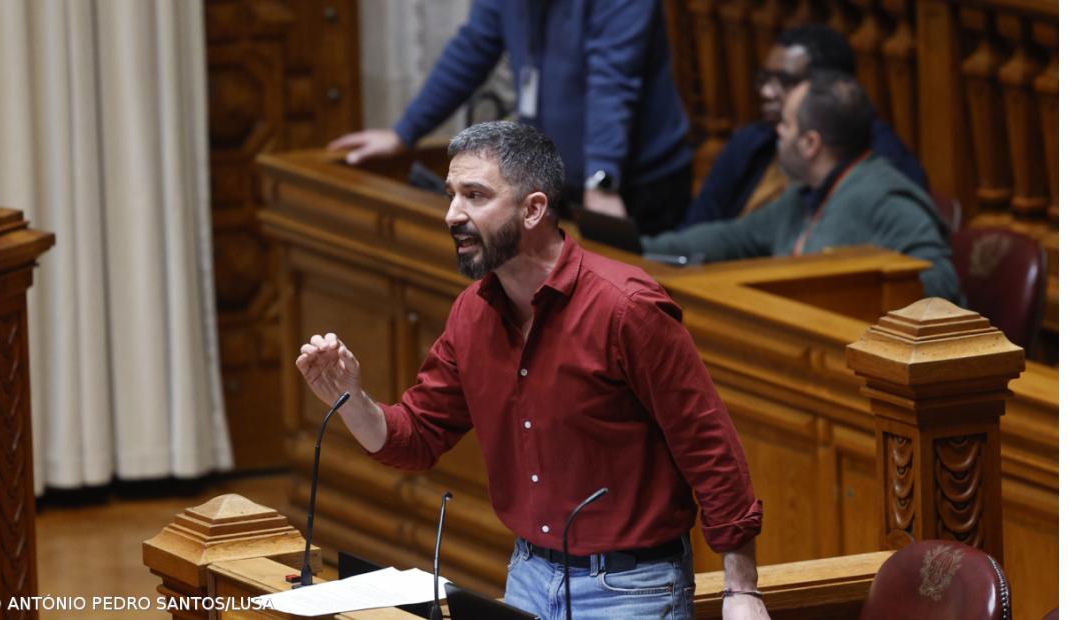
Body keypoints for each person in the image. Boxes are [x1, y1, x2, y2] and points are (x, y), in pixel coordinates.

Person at [298, 121, 769, 619]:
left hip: (630, 588)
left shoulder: (626, 309)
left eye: (475, 196)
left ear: (533, 209)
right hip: (527, 575)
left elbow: (708, 445)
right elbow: (416, 438)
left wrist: (742, 589)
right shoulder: (472, 313)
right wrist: (351, 399)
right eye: (451, 195)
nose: (453, 214)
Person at [329, 0, 693, 235]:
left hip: (637, 185)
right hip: (560, 180)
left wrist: (601, 183)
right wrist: (404, 132)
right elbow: (472, 49)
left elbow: (612, 81)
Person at [644, 72, 960, 303]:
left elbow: (942, 282)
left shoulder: (887, 199)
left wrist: (858, 288)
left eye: (785, 124)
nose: (777, 133)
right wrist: (637, 247)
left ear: (810, 143)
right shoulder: (802, 196)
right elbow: (730, 238)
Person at [681, 23, 928, 227]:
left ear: (828, 88)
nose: (766, 92)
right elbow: (699, 229)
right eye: (765, 78)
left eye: (784, 81)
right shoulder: (751, 141)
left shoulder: (885, 161)